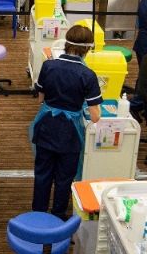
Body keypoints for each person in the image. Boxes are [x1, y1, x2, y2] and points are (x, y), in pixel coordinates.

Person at [32, 25, 102, 218]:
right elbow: (95, 116)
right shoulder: (88, 75)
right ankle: (58, 215)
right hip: (70, 132)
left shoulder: (48, 66)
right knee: (64, 178)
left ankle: (38, 213)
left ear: (66, 43)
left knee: (43, 173)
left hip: (46, 126)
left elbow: (40, 99)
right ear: (87, 49)